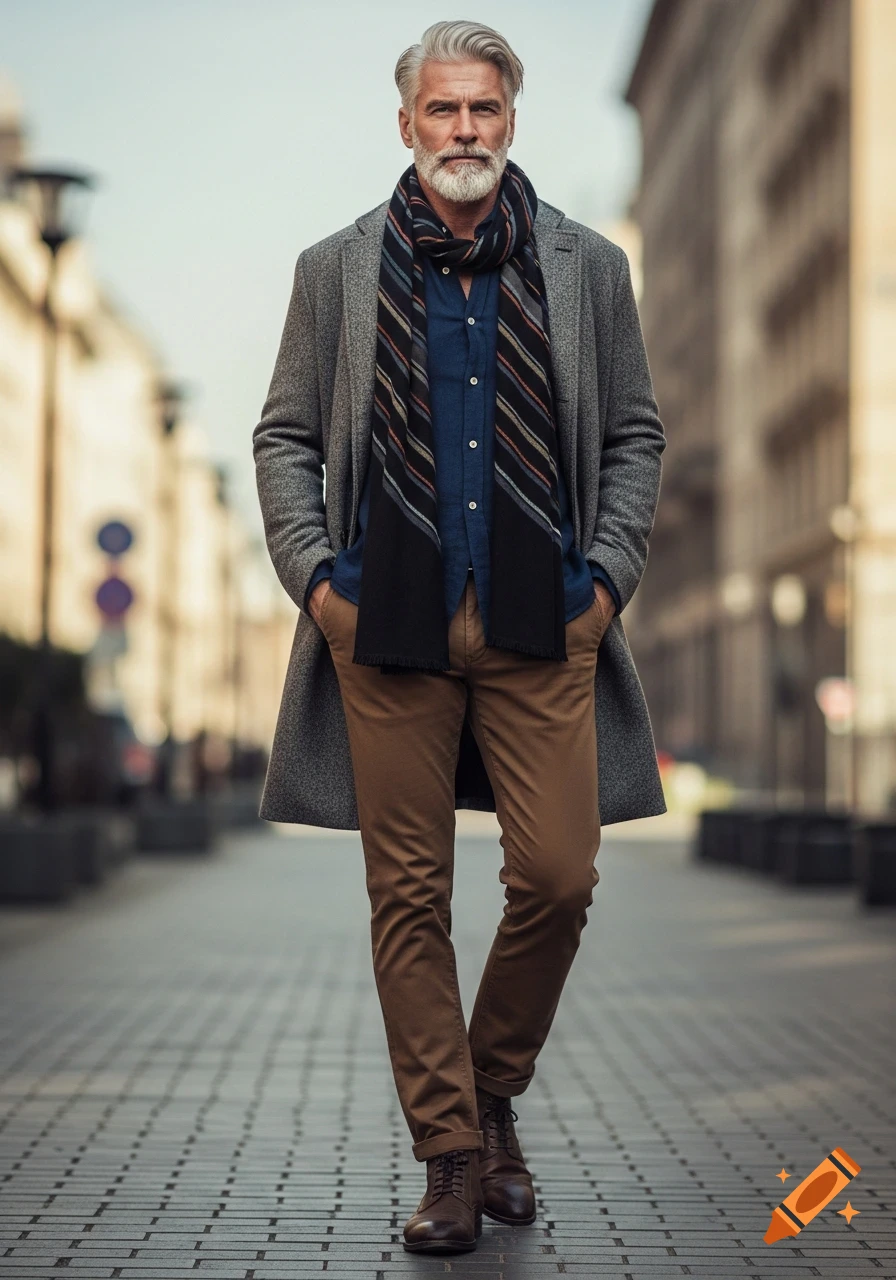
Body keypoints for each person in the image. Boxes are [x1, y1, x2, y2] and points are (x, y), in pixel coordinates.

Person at [253, 19, 666, 1255]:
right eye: (443, 111)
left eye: (484, 109)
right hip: (382, 624)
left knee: (556, 875)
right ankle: (448, 1155)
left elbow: (633, 432)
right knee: (408, 896)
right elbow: (281, 434)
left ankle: (489, 1096)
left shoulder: (586, 266)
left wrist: (607, 581)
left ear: (510, 121)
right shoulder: (335, 267)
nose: (464, 131)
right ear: (407, 125)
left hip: (549, 619)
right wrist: (319, 583)